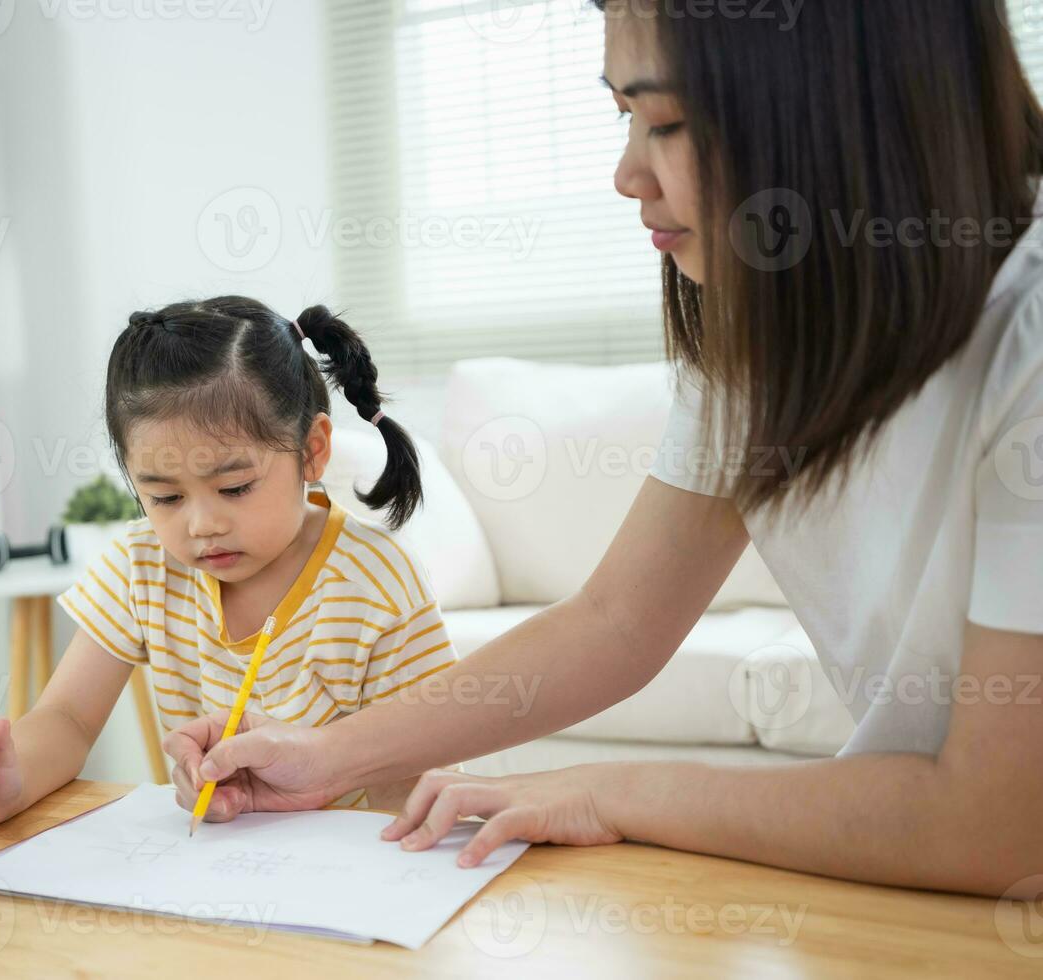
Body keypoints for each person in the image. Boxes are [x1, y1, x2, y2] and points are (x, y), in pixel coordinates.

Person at [162, 0, 1043, 896]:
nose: (627, 174)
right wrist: (326, 756)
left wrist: (611, 790)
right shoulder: (762, 331)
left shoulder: (1028, 341)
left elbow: (999, 825)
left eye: (665, 121)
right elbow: (618, 621)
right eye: (624, 115)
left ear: (844, 105)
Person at [0, 297, 457, 828]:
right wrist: (9, 781)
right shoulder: (143, 564)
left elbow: (411, 782)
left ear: (312, 449)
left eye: (235, 487)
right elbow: (67, 718)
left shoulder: (376, 584)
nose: (202, 525)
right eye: (165, 498)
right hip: (205, 872)